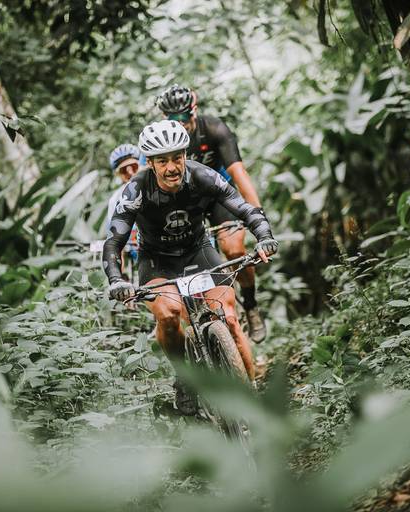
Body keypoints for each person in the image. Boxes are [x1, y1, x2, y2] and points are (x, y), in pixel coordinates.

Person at [103, 120, 278, 415]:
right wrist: (116, 279)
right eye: (162, 161)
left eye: (177, 158)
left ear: (185, 155)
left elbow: (244, 208)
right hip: (157, 261)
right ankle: (184, 376)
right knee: (168, 314)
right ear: (151, 163)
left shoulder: (201, 175)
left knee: (229, 318)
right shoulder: (135, 189)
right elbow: (114, 241)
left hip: (199, 250)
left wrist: (264, 236)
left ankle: (251, 397)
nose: (172, 167)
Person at [156, 84, 268, 343]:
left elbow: (239, 173)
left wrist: (258, 215)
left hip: (218, 196)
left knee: (234, 249)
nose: (180, 123)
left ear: (194, 111)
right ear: (164, 118)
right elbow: (146, 182)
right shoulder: (160, 139)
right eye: (173, 118)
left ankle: (250, 304)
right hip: (183, 204)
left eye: (184, 116)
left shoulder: (214, 129)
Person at [105, 144, 142, 277]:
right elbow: (113, 237)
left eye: (134, 167)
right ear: (118, 175)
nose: (130, 173)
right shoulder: (115, 199)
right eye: (124, 170)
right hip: (132, 249)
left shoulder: (154, 187)